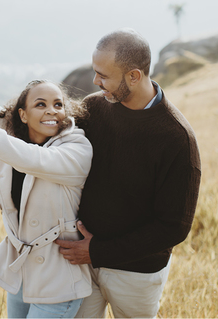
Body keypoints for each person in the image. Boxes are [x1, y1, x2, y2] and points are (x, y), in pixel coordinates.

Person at [50, 28, 201, 318]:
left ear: (134, 76)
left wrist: (98, 251)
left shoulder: (177, 138)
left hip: (136, 274)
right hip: (80, 264)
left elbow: (174, 226)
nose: (95, 82)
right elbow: (44, 133)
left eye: (103, 76)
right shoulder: (94, 107)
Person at [0, 27, 93, 318]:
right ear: (23, 115)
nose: (52, 111)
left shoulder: (77, 148)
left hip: (58, 279)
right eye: (41, 104)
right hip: (21, 274)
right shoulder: (14, 133)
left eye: (58, 104)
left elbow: (30, 159)